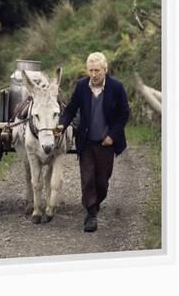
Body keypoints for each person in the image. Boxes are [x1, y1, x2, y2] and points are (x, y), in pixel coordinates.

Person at [56, 52, 130, 232]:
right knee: (87, 178)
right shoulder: (82, 86)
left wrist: (112, 135)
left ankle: (96, 201)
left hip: (106, 142)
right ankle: (90, 213)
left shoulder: (116, 87)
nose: (94, 74)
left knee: (102, 181)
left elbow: (124, 114)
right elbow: (71, 109)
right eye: (91, 70)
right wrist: (62, 125)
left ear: (105, 69)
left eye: (97, 70)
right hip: (87, 141)